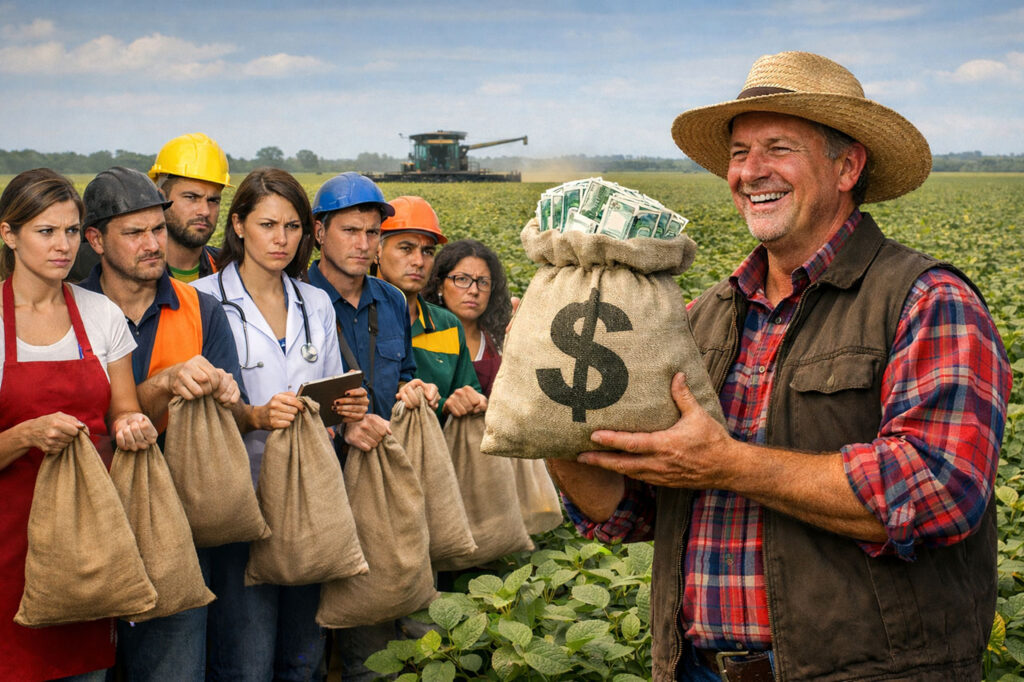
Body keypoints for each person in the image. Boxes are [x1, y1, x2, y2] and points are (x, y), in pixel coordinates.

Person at [549, 51, 1012, 681]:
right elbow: (636, 509)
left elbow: (936, 491)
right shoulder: (700, 316)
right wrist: (556, 430)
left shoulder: (927, 301)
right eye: (739, 153)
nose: (750, 172)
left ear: (847, 165)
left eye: (778, 148)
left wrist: (729, 461)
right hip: (694, 670)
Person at [192, 167, 369, 681]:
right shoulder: (202, 300)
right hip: (239, 501)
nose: (281, 239)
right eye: (268, 225)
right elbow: (196, 413)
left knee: (304, 658)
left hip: (308, 499)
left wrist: (349, 409)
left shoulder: (314, 301)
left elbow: (332, 388)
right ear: (240, 225)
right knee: (244, 658)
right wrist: (256, 416)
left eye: (292, 227)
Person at [77, 166, 245, 681]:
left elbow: (231, 420)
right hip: (85, 527)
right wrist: (167, 383)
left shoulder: (204, 311)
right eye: (135, 233)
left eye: (156, 229)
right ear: (95, 239)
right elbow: (97, 425)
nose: (153, 244)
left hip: (178, 526)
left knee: (172, 666)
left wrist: (227, 396)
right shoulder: (68, 313)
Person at [0, 169, 158, 682]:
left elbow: (122, 410)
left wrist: (134, 424)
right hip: (8, 544)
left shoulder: (100, 314)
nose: (63, 245)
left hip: (88, 540)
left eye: (71, 231)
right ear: (8, 234)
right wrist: (26, 434)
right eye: (47, 231)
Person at [307, 172, 417, 453]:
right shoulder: (295, 300)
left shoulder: (393, 300)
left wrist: (411, 390)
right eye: (350, 231)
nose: (363, 245)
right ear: (320, 232)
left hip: (384, 459)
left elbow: (405, 372)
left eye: (372, 232)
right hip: (323, 464)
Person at [376, 196, 485, 419]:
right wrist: (441, 403)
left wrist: (471, 401)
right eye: (406, 248)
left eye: (428, 252)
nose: (418, 261)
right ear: (377, 250)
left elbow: (470, 392)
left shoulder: (448, 325)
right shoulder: (354, 318)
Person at [422, 238, 513, 397]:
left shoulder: (502, 342)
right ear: (440, 285)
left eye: (483, 282)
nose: (474, 290)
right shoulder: (419, 335)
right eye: (462, 279)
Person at [148, 132, 232, 282]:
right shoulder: (134, 274)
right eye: (191, 197)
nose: (205, 211)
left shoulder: (230, 270)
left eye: (213, 200)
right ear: (161, 198)